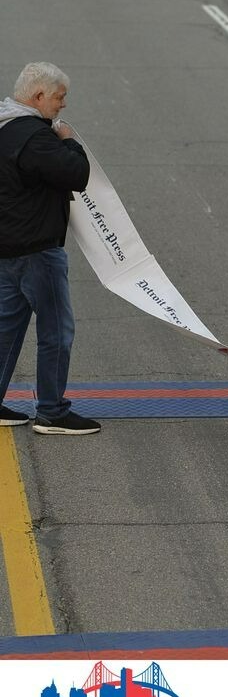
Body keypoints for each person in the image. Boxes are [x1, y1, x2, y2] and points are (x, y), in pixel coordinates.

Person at [0, 63, 100, 435]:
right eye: (59, 98)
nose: (63, 105)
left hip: (7, 249)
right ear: (39, 96)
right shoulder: (35, 137)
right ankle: (52, 412)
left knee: (6, 330)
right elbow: (77, 174)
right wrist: (68, 140)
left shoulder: (4, 127)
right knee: (56, 331)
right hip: (38, 251)